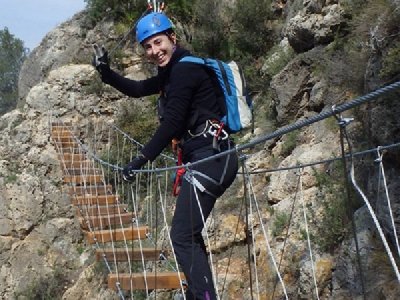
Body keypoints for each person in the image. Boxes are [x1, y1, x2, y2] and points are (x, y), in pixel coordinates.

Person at [92, 12, 238, 300]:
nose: (154, 51)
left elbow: (172, 123)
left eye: (158, 42)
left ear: (172, 38)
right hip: (208, 158)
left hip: (211, 158)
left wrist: (140, 159)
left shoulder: (185, 70)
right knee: (188, 235)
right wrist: (106, 73)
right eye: (147, 46)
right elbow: (137, 89)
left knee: (182, 236)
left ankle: (204, 297)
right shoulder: (171, 72)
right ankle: (203, 294)